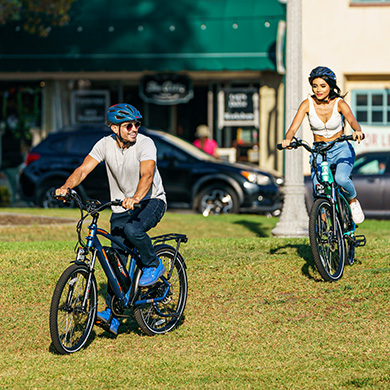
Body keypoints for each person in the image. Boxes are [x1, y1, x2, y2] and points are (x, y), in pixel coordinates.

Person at [55, 103, 167, 334]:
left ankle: (154, 264)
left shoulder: (146, 144)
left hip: (150, 201)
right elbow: (83, 170)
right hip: (120, 208)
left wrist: (136, 197)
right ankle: (113, 316)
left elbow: (147, 175)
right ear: (114, 128)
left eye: (137, 124)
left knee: (133, 231)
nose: (134, 129)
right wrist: (66, 186)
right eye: (129, 125)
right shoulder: (104, 144)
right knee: (114, 262)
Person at [281, 66, 365, 224]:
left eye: (322, 86)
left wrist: (357, 131)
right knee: (318, 188)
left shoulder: (339, 103)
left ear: (331, 86)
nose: (318, 90)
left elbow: (353, 121)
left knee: (340, 179)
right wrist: (288, 138)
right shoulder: (307, 104)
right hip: (319, 151)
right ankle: (322, 218)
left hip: (341, 149)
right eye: (314, 86)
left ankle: (352, 200)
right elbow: (293, 128)